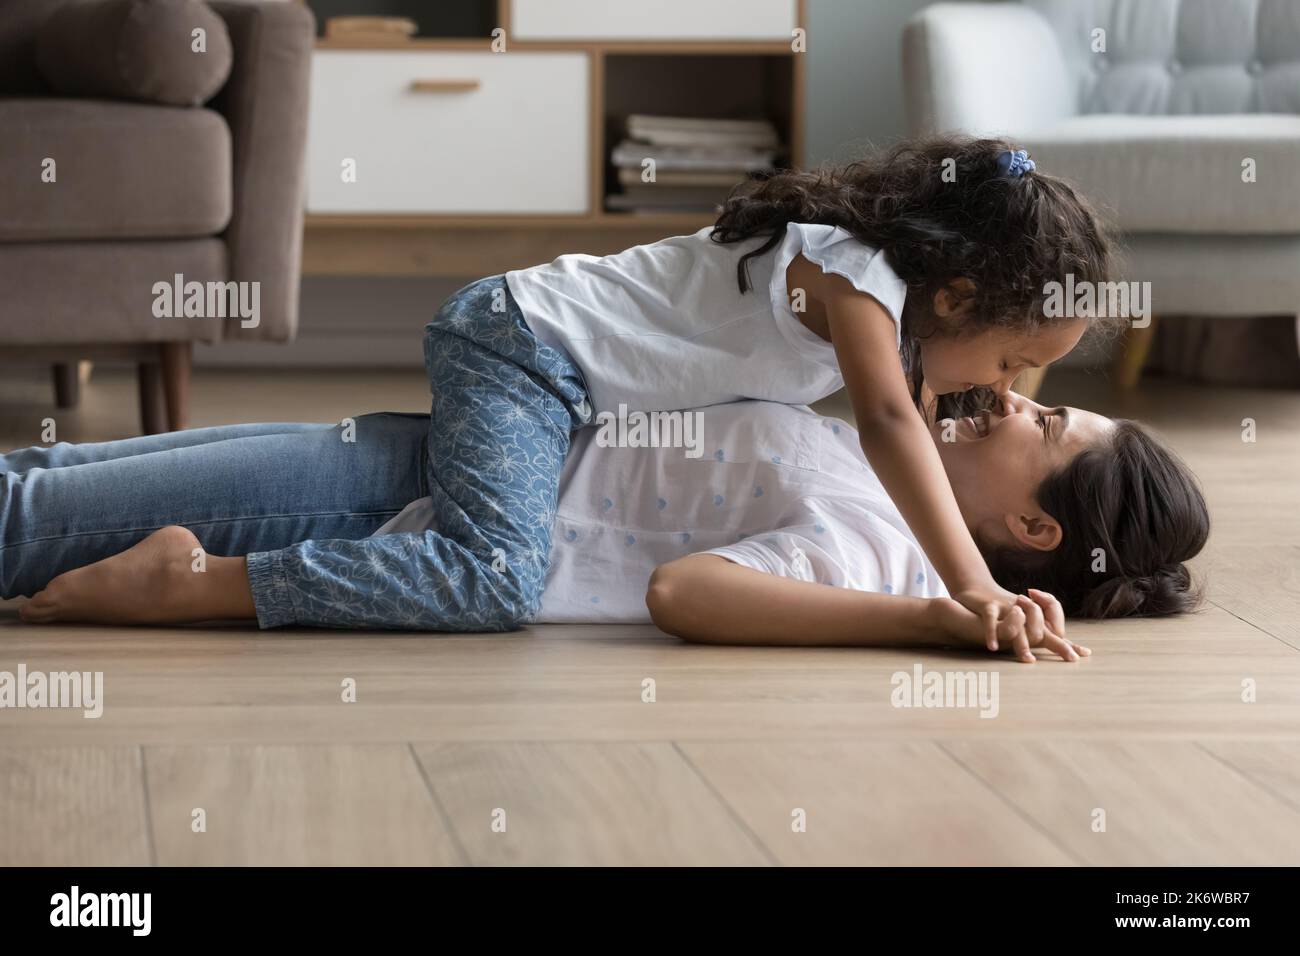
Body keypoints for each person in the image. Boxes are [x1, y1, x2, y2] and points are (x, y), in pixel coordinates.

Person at [5, 393, 1207, 663]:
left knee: (24, 518)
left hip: (374, 508)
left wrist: (931, 617)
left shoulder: (874, 541)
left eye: (1044, 420)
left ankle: (194, 581)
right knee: (41, 480)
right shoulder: (874, 458)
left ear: (1029, 528)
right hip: (426, 446)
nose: (1012, 398)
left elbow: (689, 590)